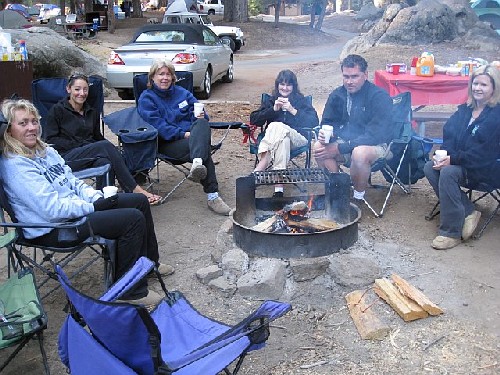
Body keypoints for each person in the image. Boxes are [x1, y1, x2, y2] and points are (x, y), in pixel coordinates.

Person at [0, 99, 174, 306]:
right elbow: (51, 210)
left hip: (74, 213)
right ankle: (130, 291)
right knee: (132, 219)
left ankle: (148, 265)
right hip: (54, 228)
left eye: (34, 121)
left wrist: (97, 198)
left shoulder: (45, 151)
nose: (31, 128)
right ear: (8, 130)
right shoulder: (16, 165)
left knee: (138, 202)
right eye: (23, 123)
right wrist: (93, 207)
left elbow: (73, 183)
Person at [44, 73, 162, 205]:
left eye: (85, 89)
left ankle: (104, 201)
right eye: (77, 89)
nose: (81, 93)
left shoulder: (91, 112)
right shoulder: (57, 110)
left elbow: (97, 137)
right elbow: (51, 140)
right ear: (68, 89)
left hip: (89, 155)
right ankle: (135, 189)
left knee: (106, 160)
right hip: (65, 157)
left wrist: (113, 150)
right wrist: (81, 145)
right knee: (105, 147)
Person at [137, 59, 231, 215]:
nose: (165, 78)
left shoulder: (183, 94)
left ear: (173, 77)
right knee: (203, 148)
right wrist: (184, 134)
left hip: (192, 142)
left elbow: (202, 116)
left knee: (202, 124)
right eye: (161, 74)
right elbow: (158, 126)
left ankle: (197, 164)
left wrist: (200, 116)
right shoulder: (147, 99)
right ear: (152, 77)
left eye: (168, 74)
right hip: (167, 144)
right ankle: (213, 196)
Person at [424, 65, 500, 250]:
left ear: (494, 88)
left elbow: (484, 153)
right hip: (465, 164)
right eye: (475, 83)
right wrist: (443, 154)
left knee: (449, 172)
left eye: (484, 84)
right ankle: (468, 211)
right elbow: (449, 134)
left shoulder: (496, 115)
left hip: (488, 169)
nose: (478, 88)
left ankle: (451, 232)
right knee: (430, 167)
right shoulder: (465, 110)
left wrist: (453, 160)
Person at [313, 54, 393, 201]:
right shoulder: (337, 95)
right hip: (347, 143)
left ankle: (358, 197)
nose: (349, 82)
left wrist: (340, 148)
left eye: (354, 77)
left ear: (365, 75)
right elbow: (328, 122)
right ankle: (339, 188)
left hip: (377, 145)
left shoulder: (379, 97)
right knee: (319, 147)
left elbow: (375, 134)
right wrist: (328, 135)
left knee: (359, 153)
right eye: (346, 77)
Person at [250, 69, 319, 196]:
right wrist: (273, 110)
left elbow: (314, 121)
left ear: (293, 86)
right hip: (281, 141)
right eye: (282, 84)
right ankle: (278, 190)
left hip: (298, 139)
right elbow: (254, 119)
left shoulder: (300, 101)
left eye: (288, 85)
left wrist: (294, 111)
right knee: (283, 140)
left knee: (277, 126)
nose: (285, 88)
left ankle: (261, 167)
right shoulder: (272, 100)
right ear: (277, 85)